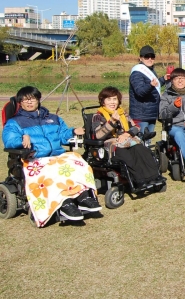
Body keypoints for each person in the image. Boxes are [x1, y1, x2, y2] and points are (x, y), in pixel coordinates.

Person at [2, 86, 101, 226]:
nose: (29, 102)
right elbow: (8, 140)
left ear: (38, 100)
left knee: (78, 161)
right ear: (20, 103)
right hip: (34, 158)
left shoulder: (53, 118)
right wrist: (21, 140)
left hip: (56, 156)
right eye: (25, 100)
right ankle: (65, 204)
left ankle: (83, 196)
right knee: (52, 171)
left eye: (33, 99)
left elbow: (62, 135)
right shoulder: (15, 122)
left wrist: (73, 131)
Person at [92, 86, 164, 187]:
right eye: (109, 99)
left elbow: (136, 127)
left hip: (127, 140)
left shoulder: (122, 113)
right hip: (111, 145)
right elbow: (98, 135)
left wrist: (127, 134)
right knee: (127, 156)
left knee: (142, 150)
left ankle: (154, 176)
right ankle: (140, 179)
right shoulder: (98, 116)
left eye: (114, 99)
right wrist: (111, 122)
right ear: (103, 101)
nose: (112, 102)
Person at [129, 45, 169, 133]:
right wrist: (150, 85)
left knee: (148, 140)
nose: (150, 59)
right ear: (140, 58)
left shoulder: (150, 70)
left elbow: (155, 86)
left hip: (151, 113)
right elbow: (140, 91)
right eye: (147, 57)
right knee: (141, 140)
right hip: (141, 114)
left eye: (152, 57)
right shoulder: (137, 72)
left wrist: (163, 79)